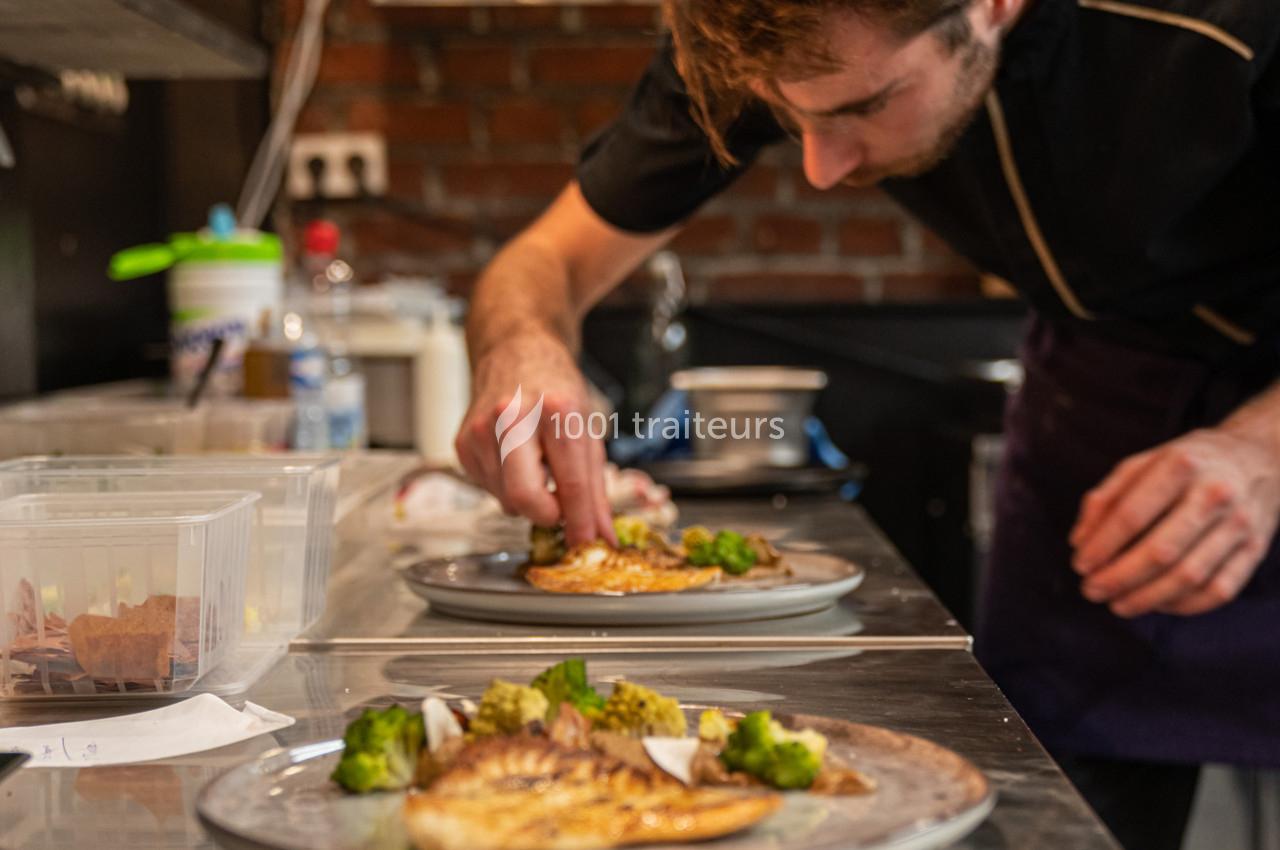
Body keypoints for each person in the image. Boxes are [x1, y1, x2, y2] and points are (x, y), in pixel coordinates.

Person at [454, 1, 1280, 846]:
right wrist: (523, 344)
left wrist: (1261, 452)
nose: (819, 167)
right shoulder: (759, 26)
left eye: (861, 109)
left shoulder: (1222, 18)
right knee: (1051, 807)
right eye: (787, 119)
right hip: (1099, 389)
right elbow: (544, 260)